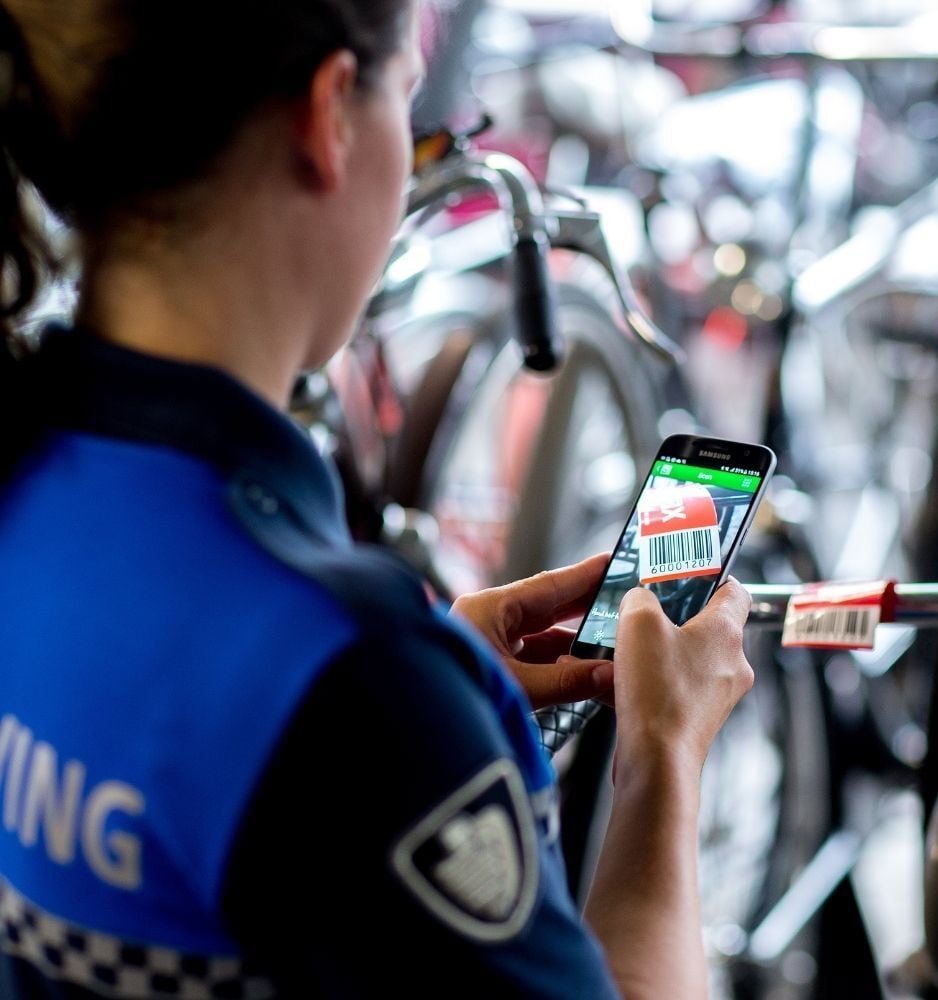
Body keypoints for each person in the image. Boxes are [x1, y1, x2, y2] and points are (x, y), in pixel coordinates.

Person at [0, 1, 754, 997]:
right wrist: (663, 753)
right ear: (329, 120)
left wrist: (444, 681)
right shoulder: (346, 678)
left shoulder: (30, 471)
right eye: (410, 103)